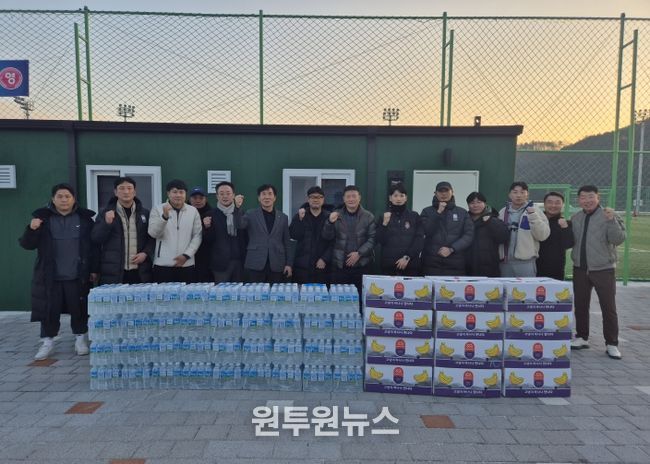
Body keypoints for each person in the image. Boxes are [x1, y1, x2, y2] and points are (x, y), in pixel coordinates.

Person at [19, 183, 98, 360]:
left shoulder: (84, 219)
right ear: (53, 199)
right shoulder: (42, 219)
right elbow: (27, 244)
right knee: (49, 310)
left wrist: (93, 269)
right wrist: (31, 229)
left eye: (67, 196)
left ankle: (80, 339)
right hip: (50, 276)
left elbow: (93, 247)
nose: (64, 200)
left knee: (79, 309)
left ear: (74, 199)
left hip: (77, 275)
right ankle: (47, 342)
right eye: (60, 196)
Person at [570, 185, 626, 359]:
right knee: (580, 305)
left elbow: (618, 239)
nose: (587, 200)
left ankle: (611, 343)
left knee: (608, 307)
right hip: (580, 268)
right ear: (579, 200)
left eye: (591, 197)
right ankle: (582, 337)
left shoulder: (609, 215)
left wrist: (611, 221)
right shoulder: (576, 217)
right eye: (583, 197)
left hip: (603, 269)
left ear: (598, 198)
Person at [91, 177, 154, 285]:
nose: (126, 192)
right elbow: (96, 238)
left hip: (140, 271)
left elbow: (152, 238)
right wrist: (107, 224)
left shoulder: (145, 213)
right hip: (114, 271)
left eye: (129, 188)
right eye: (122, 188)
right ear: (115, 192)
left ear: (134, 192)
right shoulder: (105, 213)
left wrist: (145, 253)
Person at [322, 185, 375, 294]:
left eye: (354, 196)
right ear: (344, 199)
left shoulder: (368, 216)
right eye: (348, 196)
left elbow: (373, 238)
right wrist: (329, 223)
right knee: (339, 299)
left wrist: (359, 253)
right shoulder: (336, 215)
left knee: (360, 299)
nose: (351, 199)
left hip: (362, 266)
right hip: (340, 267)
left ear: (359, 198)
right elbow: (327, 237)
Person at [234, 184, 292, 283]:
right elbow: (239, 225)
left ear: (274, 197)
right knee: (255, 292)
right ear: (259, 198)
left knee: (275, 292)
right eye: (263, 194)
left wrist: (289, 264)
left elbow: (287, 241)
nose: (267, 197)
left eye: (270, 194)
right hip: (255, 262)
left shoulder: (283, 217)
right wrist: (237, 208)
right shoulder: (250, 214)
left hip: (277, 263)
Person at [148, 179, 202, 283]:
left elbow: (197, 236)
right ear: (168, 193)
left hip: (186, 264)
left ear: (185, 194)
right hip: (163, 265)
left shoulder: (193, 211)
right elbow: (153, 233)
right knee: (163, 293)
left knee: (187, 293)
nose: (178, 195)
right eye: (175, 192)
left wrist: (186, 255)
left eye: (181, 192)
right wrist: (164, 217)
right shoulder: (157, 209)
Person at [420, 181, 473, 276]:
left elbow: (469, 235)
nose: (444, 194)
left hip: (455, 263)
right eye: (440, 191)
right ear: (435, 193)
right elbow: (426, 231)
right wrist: (438, 213)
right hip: (431, 263)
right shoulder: (426, 211)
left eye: (446, 191)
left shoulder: (462, 212)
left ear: (452, 192)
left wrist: (452, 249)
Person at [498, 181, 550, 277]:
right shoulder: (503, 211)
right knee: (505, 287)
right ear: (509, 195)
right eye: (515, 192)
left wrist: (533, 216)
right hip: (505, 263)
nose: (519, 195)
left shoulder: (535, 211)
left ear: (527, 194)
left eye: (522, 192)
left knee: (527, 287)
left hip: (526, 263)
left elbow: (543, 236)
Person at [202, 181, 248, 283]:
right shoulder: (210, 214)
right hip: (220, 264)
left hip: (240, 262)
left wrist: (237, 209)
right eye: (221, 194)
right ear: (217, 196)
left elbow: (246, 235)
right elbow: (208, 240)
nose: (225, 196)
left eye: (228, 193)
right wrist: (207, 227)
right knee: (221, 292)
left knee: (239, 292)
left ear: (233, 195)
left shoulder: (242, 213)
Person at [375, 182, 423, 276]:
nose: (398, 199)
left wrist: (407, 257)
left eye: (401, 195)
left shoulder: (414, 216)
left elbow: (419, 239)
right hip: (389, 267)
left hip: (410, 265)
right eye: (395, 195)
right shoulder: (384, 216)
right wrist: (384, 224)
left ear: (406, 198)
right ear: (390, 198)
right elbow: (379, 240)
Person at [289, 186, 334, 284]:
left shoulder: (329, 217)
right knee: (302, 293)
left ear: (323, 199)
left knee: (322, 293)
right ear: (308, 199)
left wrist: (325, 258)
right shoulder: (300, 215)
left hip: (323, 267)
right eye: (313, 197)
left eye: (319, 197)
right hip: (302, 267)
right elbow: (294, 235)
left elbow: (334, 241)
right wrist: (300, 220)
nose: (316, 200)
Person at [465, 191, 509, 277]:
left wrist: (490, 222)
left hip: (489, 268)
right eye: (472, 203)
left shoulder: (494, 219)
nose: (475, 205)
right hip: (468, 267)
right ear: (468, 205)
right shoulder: (464, 220)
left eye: (479, 202)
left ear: (485, 203)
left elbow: (504, 237)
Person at [537, 191, 574, 280]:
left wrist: (565, 228)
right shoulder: (536, 221)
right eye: (550, 202)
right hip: (534, 266)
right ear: (544, 204)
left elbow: (568, 244)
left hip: (556, 268)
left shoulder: (566, 223)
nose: (553, 205)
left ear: (562, 205)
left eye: (557, 203)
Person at [189, 186, 213, 282]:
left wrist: (207, 227)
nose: (198, 201)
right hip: (187, 256)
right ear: (190, 199)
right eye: (195, 198)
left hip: (206, 258)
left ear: (205, 199)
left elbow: (212, 238)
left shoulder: (212, 214)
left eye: (201, 198)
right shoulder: (184, 213)